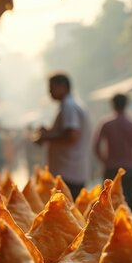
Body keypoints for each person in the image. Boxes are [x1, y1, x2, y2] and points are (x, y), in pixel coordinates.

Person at [36, 72, 90, 200]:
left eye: (51, 88)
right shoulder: (70, 104)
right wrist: (49, 132)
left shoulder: (69, 105)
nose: (49, 92)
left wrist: (46, 137)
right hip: (69, 171)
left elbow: (72, 135)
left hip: (68, 173)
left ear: (62, 87)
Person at [93, 93, 132, 213]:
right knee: (128, 206)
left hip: (111, 169)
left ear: (112, 104)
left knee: (108, 207)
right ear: (126, 105)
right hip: (129, 169)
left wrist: (104, 161)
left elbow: (96, 146)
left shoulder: (106, 123)